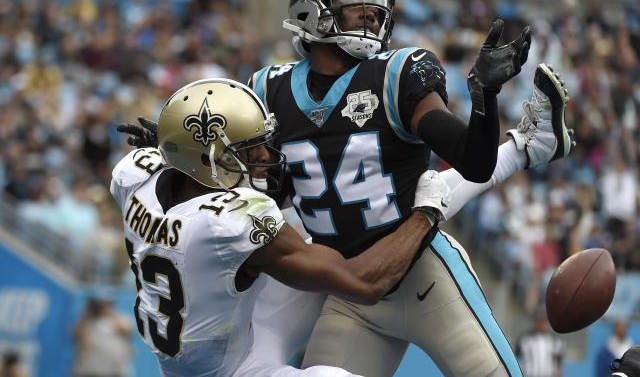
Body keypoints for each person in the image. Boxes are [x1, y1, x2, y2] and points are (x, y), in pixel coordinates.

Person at [119, 0, 574, 376]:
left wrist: (484, 99)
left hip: (423, 275)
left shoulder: (396, 73)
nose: (370, 15)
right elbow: (243, 173)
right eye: (355, 4)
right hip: (347, 288)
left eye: (375, 7)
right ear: (310, 11)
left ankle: (529, 144)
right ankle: (530, 144)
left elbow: (473, 162)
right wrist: (172, 151)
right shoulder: (268, 88)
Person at [110, 78, 451, 376]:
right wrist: (424, 215)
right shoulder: (228, 222)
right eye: (248, 149)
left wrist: (170, 147)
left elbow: (170, 166)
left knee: (327, 232)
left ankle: (508, 151)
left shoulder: (135, 173)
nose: (264, 157)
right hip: (232, 370)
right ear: (206, 160)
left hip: (210, 341)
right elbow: (365, 283)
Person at [72, 295, 133, 377]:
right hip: (88, 370)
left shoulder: (120, 317)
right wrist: (87, 314)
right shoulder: (86, 320)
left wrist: (109, 314)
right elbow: (75, 335)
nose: (101, 307)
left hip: (114, 371)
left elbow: (128, 332)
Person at [515, 307, 564, 377]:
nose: (541, 324)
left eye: (544, 321)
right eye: (539, 321)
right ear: (535, 321)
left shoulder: (555, 340)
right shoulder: (525, 338)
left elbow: (558, 364)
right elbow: (516, 357)